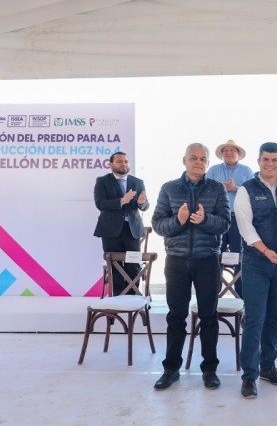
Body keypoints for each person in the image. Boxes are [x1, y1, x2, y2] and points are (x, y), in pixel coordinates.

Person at [151, 143, 231, 391]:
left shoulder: (217, 188)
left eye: (202, 159)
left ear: (207, 163)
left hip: (207, 260)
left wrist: (205, 220)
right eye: (193, 158)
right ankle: (171, 369)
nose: (198, 162)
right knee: (176, 316)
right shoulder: (169, 188)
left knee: (209, 316)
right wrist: (179, 220)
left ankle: (209, 370)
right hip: (176, 261)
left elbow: (225, 223)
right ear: (184, 160)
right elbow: (158, 224)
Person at [234, 142, 277, 399]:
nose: (270, 164)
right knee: (254, 319)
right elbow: (245, 227)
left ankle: (268, 367)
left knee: (274, 317)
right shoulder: (246, 189)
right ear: (259, 161)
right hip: (256, 263)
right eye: (266, 159)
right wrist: (265, 250)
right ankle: (249, 375)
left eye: (274, 160)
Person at [92, 151, 149, 295]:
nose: (123, 164)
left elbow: (145, 205)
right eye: (119, 161)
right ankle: (117, 296)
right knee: (115, 264)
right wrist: (122, 201)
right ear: (110, 164)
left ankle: (133, 295)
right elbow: (100, 204)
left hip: (132, 230)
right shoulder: (102, 181)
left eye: (126, 161)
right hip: (111, 230)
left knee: (133, 264)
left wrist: (141, 203)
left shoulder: (138, 182)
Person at [207, 139, 254, 298]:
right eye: (226, 150)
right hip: (217, 219)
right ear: (222, 154)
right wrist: (220, 189)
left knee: (240, 256)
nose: (229, 153)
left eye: (232, 150)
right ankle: (213, 294)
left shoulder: (247, 171)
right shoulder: (213, 170)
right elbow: (205, 190)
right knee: (215, 255)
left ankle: (241, 295)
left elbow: (252, 193)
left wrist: (235, 188)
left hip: (238, 219)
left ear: (238, 154)